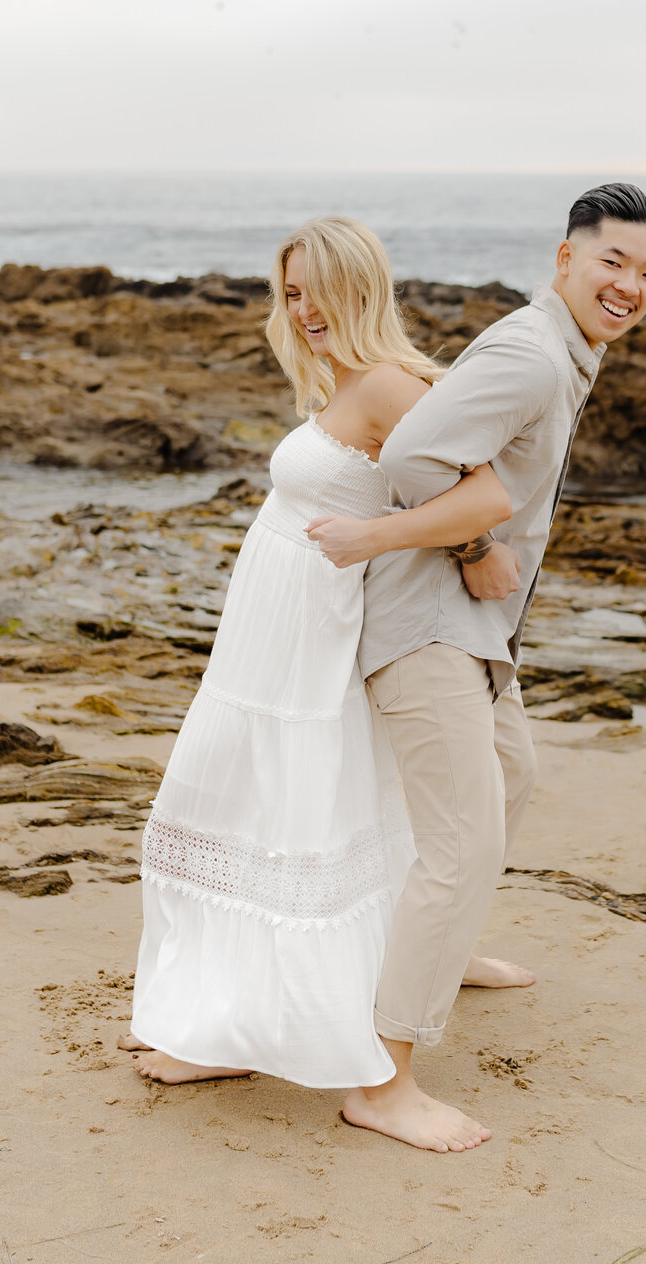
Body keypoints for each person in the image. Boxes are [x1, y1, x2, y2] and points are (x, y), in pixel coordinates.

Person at [308, 181, 646, 1152]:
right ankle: (382, 1086)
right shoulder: (528, 351)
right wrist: (474, 552)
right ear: (565, 259)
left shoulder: (563, 354)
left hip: (474, 633)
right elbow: (417, 454)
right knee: (463, 840)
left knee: (512, 775)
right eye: (613, 263)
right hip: (429, 622)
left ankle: (442, 946)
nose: (629, 285)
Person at [121, 216, 512, 1094]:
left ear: (361, 287)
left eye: (317, 292)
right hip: (269, 633)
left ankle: (259, 1032)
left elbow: (485, 496)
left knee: (282, 816)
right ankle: (219, 1025)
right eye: (290, 293)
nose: (302, 310)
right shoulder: (337, 381)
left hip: (310, 642)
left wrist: (380, 538)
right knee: (238, 810)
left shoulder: (388, 385)